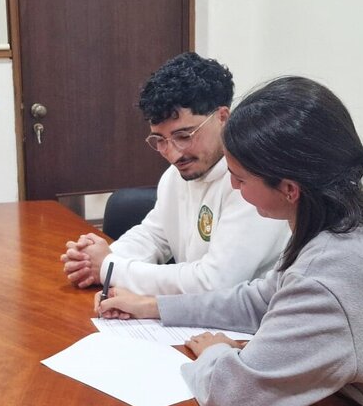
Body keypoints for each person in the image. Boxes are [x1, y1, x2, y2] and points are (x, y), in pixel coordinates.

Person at [97, 76, 363, 406]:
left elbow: (233, 397)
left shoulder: (330, 270)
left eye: (240, 178)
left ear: (289, 189)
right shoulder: (345, 223)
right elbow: (260, 299)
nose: (234, 187)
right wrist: (155, 307)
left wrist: (214, 351)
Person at [61, 52, 290, 294]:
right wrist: (94, 259)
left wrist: (110, 267)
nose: (173, 154)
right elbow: (154, 236)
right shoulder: (175, 175)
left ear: (223, 117)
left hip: (254, 315)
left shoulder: (254, 183)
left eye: (184, 136)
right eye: (160, 140)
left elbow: (214, 283)